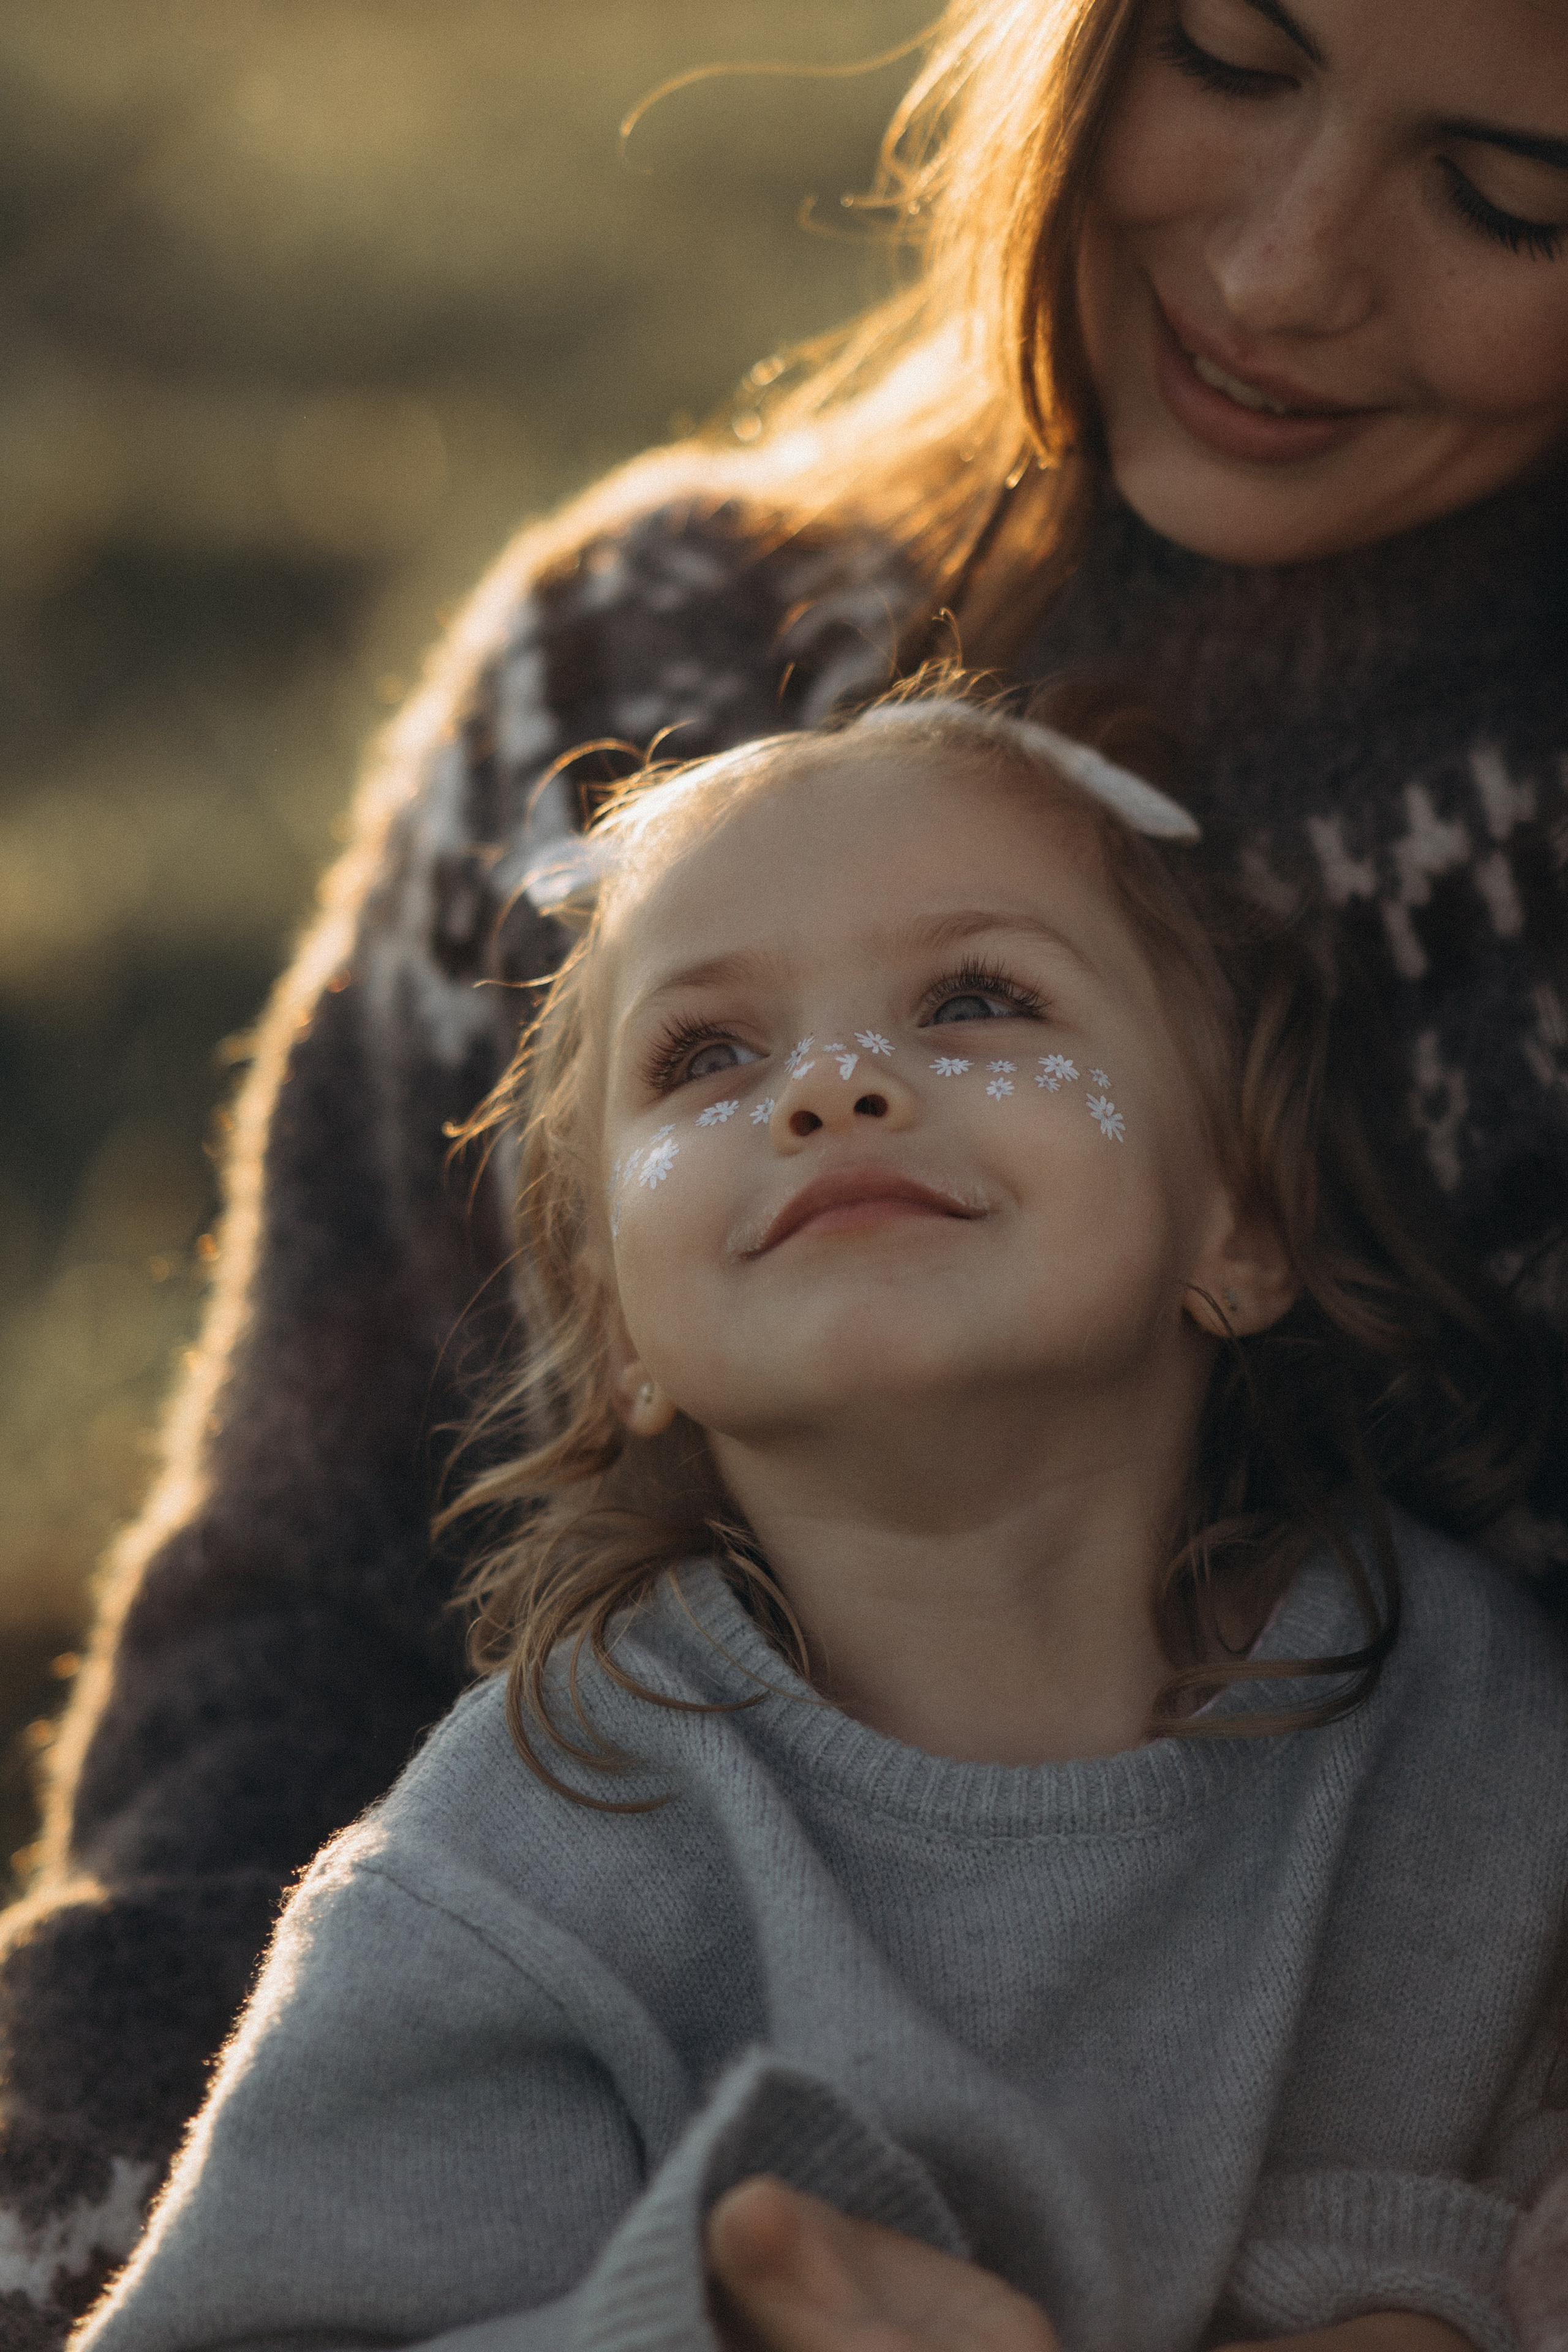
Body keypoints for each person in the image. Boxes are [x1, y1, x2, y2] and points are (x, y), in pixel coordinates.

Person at [6, 0, 1568, 2340]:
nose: (1280, 262)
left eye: (1504, 190)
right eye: (1232, 55)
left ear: (1255, 1224)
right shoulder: (632, 677)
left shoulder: (1449, 1742)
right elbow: (278, 1681)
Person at [69, 696, 1568, 2352]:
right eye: (709, 1055)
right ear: (616, 1332)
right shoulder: (530, 1868)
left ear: (1241, 1222)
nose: (836, 1084)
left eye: (977, 1002)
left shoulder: (1471, 1732)